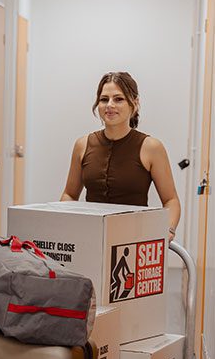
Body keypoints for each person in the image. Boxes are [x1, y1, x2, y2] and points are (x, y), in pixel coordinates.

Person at [60, 72, 180, 241]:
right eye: (104, 99)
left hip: (134, 240)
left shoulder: (151, 147)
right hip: (89, 237)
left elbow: (171, 199)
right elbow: (70, 195)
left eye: (118, 99)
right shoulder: (82, 145)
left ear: (135, 103)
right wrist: (64, 222)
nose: (110, 105)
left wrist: (168, 230)